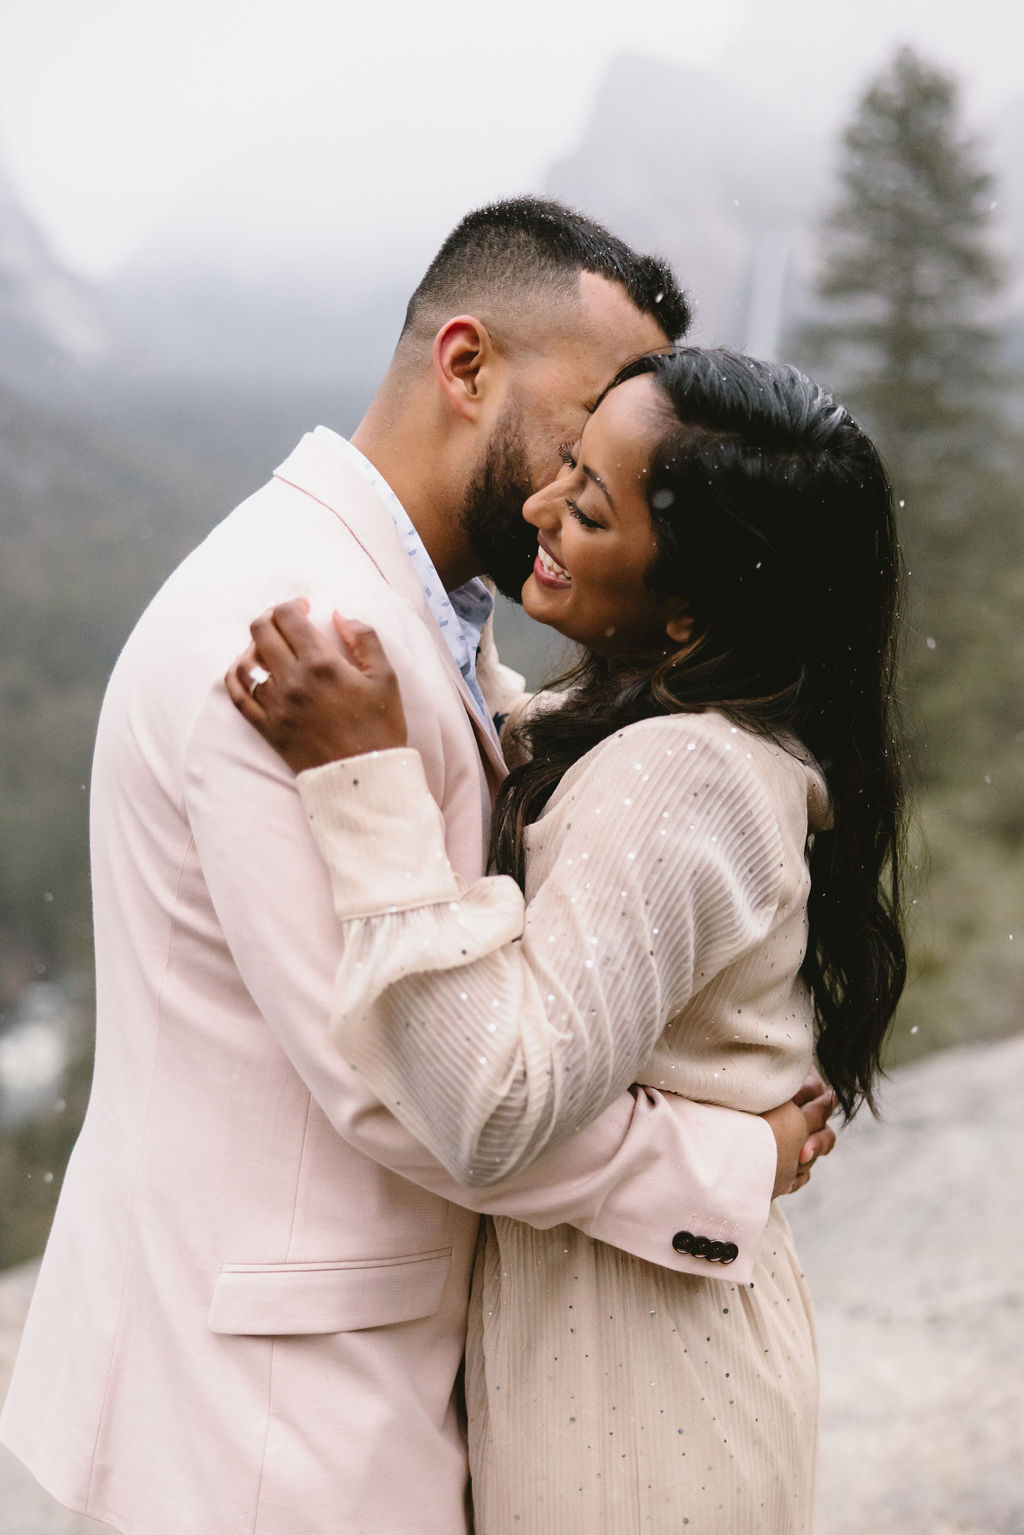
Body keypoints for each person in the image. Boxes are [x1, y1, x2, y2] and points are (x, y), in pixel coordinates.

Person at [0, 202, 832, 1535]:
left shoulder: (405, 610)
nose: (587, 487)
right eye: (584, 433)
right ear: (466, 366)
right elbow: (410, 1087)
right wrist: (721, 1163)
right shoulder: (298, 643)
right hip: (270, 1426)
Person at [226, 346, 906, 1535]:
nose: (538, 503)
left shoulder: (677, 772)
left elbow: (493, 1108)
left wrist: (366, 778)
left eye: (589, 506)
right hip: (649, 1355)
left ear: (688, 607)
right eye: (568, 463)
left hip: (639, 1415)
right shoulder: (685, 728)